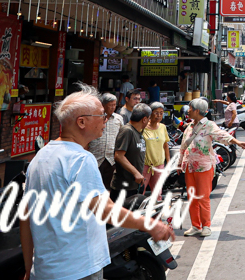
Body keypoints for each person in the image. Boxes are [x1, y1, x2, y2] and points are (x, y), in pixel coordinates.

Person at [20, 84, 173, 280]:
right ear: (81, 122)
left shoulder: (40, 157)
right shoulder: (81, 159)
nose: (106, 119)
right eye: (101, 115)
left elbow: (25, 217)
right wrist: (151, 225)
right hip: (78, 269)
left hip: (44, 271)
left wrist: (28, 267)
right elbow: (106, 210)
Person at [179, 98, 245, 236]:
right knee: (192, 197)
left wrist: (236, 142)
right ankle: (195, 225)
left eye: (190, 108)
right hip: (190, 166)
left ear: (197, 111)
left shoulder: (209, 125)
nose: (188, 111)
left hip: (204, 166)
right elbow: (183, 146)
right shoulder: (190, 126)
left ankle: (206, 226)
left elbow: (222, 135)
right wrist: (180, 163)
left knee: (203, 197)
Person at [111, 104, 151, 197]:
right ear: (144, 119)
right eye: (149, 119)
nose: (149, 122)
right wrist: (136, 173)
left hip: (134, 184)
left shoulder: (138, 132)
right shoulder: (127, 131)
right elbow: (119, 156)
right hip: (123, 187)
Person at [87, 93, 123, 188]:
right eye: (110, 105)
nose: (112, 107)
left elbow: (121, 137)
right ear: (103, 105)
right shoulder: (94, 118)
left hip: (111, 158)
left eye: (114, 105)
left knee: (108, 186)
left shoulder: (118, 119)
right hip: (96, 157)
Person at [142, 102, 170, 194]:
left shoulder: (163, 127)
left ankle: (155, 208)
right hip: (145, 165)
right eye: (156, 112)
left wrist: (168, 163)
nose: (159, 115)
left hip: (159, 165)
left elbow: (165, 146)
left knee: (158, 193)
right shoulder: (143, 128)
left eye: (161, 113)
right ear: (150, 113)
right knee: (141, 190)